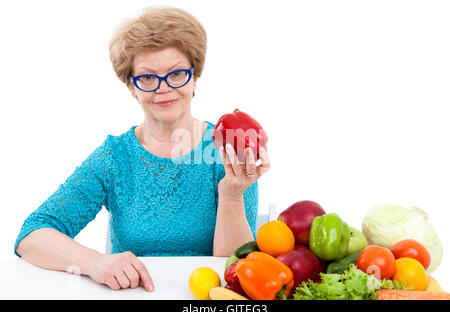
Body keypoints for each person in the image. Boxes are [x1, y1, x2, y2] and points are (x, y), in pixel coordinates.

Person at [13, 6, 270, 292]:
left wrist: (232, 195)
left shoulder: (226, 148)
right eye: (147, 77)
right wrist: (95, 262)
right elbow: (32, 235)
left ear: (194, 77)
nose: (163, 87)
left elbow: (235, 273)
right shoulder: (114, 157)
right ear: (131, 86)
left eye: (176, 74)